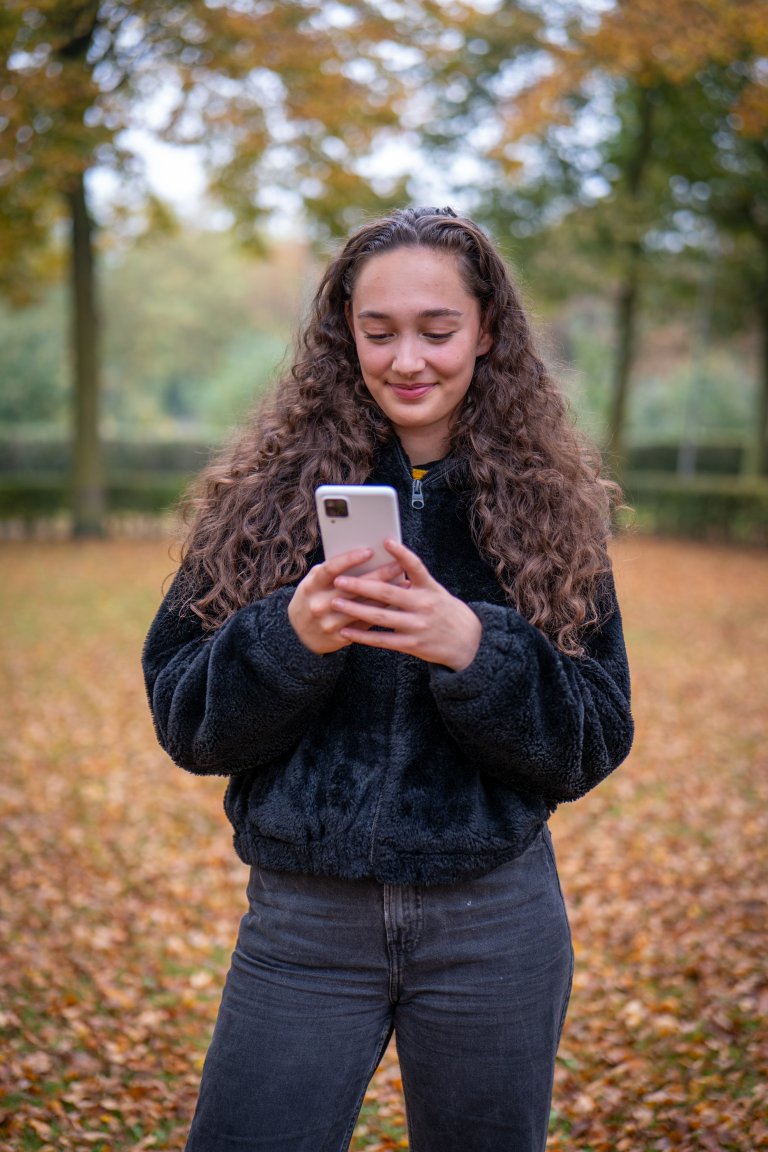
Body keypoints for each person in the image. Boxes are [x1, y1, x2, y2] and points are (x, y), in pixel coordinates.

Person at [142, 206, 634, 1152]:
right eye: (379, 332)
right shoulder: (265, 497)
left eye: (437, 330)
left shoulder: (551, 510)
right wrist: (289, 639)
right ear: (345, 336)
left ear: (487, 331)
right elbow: (186, 717)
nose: (408, 359)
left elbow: (594, 736)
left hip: (496, 920)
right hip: (303, 923)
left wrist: (474, 649)